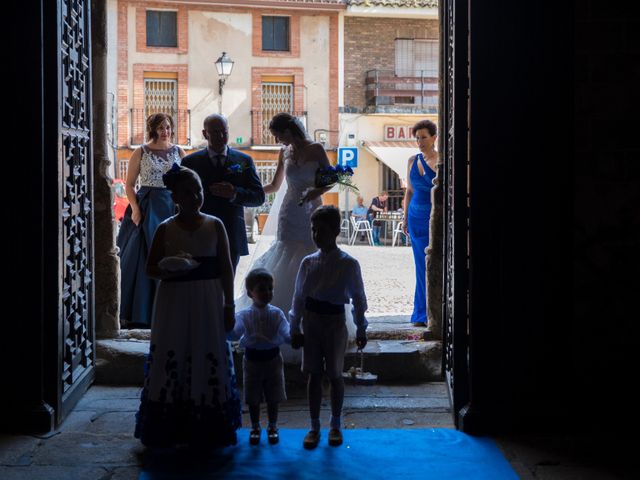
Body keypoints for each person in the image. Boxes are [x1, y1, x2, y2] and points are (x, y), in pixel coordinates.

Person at [134, 164, 241, 449]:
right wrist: (170, 270)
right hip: (174, 301)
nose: (194, 197)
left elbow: (226, 268)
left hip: (208, 299)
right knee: (174, 352)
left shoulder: (215, 225)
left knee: (207, 350)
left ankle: (209, 424)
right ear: (175, 197)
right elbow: (150, 268)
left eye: (198, 191)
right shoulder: (164, 229)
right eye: (187, 193)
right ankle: (169, 423)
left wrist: (229, 304)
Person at [236, 112, 333, 314]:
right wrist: (247, 192)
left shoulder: (316, 149)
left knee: (311, 248)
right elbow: (274, 185)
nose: (277, 140)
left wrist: (318, 190)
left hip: (312, 208)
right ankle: (277, 308)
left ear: (288, 132)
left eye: (278, 135)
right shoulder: (284, 152)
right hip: (289, 210)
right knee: (286, 249)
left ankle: (311, 306)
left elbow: (333, 177)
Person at [289, 206, 368, 449]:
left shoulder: (349, 264)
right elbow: (298, 297)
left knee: (335, 374)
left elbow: (358, 299)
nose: (316, 235)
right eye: (313, 230)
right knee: (313, 374)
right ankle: (314, 425)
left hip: (335, 324)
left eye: (321, 230)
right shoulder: (307, 263)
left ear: (335, 231)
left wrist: (361, 327)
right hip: (311, 322)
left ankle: (335, 424)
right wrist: (295, 327)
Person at [117, 113, 186, 328]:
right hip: (148, 206)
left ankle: (172, 310)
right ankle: (141, 312)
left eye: (168, 127)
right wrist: (136, 209)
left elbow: (186, 181)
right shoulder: (141, 152)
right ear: (153, 130)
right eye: (160, 128)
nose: (165, 131)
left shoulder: (179, 151)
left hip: (172, 206)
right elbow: (129, 185)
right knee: (142, 256)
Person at [181, 114, 265, 270]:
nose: (220, 136)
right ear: (205, 134)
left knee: (227, 288)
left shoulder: (243, 161)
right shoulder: (190, 162)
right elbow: (180, 199)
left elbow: (258, 197)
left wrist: (235, 193)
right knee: (203, 287)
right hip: (200, 233)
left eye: (224, 132)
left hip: (232, 234)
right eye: (215, 132)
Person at [228, 268, 290, 446]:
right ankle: (255, 426)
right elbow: (235, 333)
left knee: (273, 395)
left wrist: (295, 337)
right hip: (252, 360)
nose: (267, 293)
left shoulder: (277, 313)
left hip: (273, 359)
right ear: (250, 293)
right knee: (253, 396)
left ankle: (272, 426)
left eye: (270, 289)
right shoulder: (244, 315)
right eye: (262, 289)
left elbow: (285, 334)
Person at [402, 119, 438, 327]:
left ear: (434, 138)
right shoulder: (411, 160)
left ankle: (434, 312)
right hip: (415, 218)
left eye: (424, 137)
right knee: (419, 266)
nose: (420, 141)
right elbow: (409, 191)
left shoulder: (442, 160)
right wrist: (405, 217)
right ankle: (420, 314)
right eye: (417, 138)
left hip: (433, 218)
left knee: (432, 264)